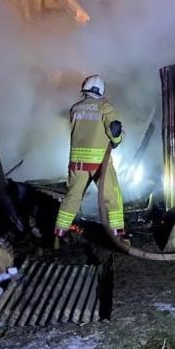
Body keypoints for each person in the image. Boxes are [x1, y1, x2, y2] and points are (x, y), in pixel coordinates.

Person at [54, 75, 125, 238]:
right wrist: (117, 140)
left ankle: (58, 234)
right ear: (101, 91)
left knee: (72, 198)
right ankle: (118, 235)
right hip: (100, 164)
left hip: (77, 164)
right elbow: (114, 132)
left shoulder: (75, 109)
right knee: (112, 198)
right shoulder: (106, 108)